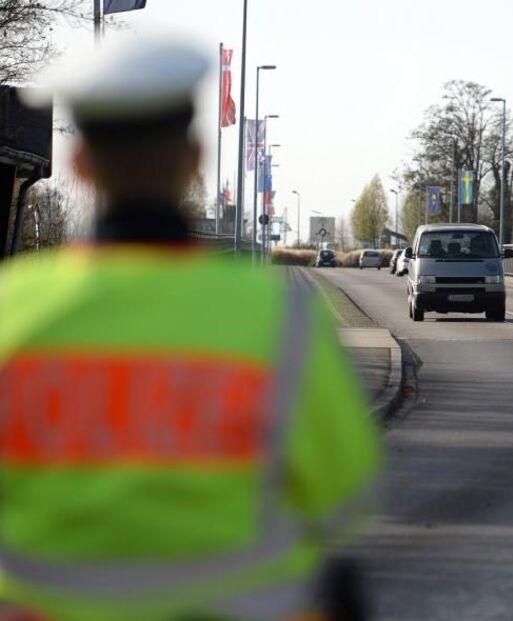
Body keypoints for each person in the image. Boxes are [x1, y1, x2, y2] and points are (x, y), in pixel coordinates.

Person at [0, 38, 381, 620]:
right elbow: (344, 497)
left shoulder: (12, 309)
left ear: (79, 164)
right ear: (194, 158)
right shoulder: (280, 321)